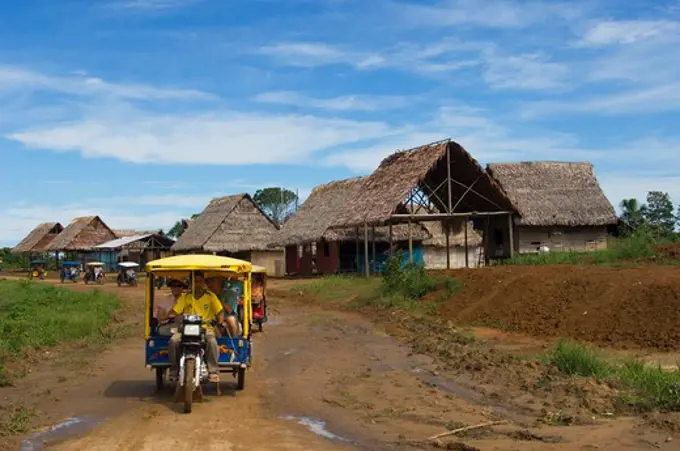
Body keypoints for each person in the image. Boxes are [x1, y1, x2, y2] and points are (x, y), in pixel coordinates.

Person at [167, 271, 224, 383]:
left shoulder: (210, 296)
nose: (197, 284)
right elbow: (175, 311)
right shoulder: (185, 297)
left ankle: (213, 372)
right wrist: (171, 316)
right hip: (186, 328)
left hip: (205, 328)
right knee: (173, 341)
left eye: (200, 281)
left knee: (212, 342)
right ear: (191, 283)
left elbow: (220, 312)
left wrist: (219, 321)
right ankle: (174, 371)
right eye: (195, 281)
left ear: (203, 283)